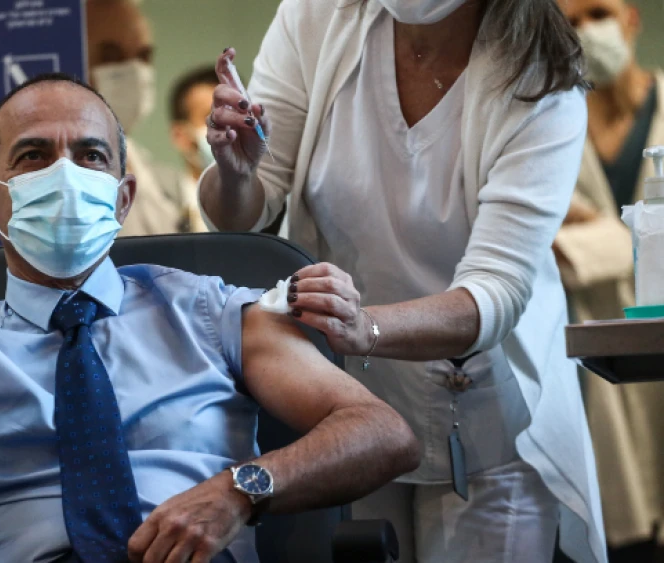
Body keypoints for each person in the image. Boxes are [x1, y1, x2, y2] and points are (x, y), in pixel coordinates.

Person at [0, 75, 421, 562]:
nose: (65, 174)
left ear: (123, 197)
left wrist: (240, 489)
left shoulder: (210, 310)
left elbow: (382, 432)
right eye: (34, 155)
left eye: (90, 156)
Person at [198, 1, 607, 562]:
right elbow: (245, 208)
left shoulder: (542, 78)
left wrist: (364, 325)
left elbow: (497, 291)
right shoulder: (319, 17)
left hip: (484, 418)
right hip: (345, 413)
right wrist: (236, 171)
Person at [555, 0, 664, 560]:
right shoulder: (553, 126)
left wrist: (588, 238)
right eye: (569, 21)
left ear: (632, 19)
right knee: (616, 523)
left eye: (598, 12)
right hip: (593, 351)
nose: (586, 32)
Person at [86, 0, 185, 236]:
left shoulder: (161, 183)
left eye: (143, 55)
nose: (134, 70)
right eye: (110, 57)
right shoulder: (58, 180)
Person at [169, 67, 220, 233]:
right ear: (181, 137)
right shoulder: (164, 211)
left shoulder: (272, 205)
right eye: (213, 118)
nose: (230, 129)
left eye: (236, 113)